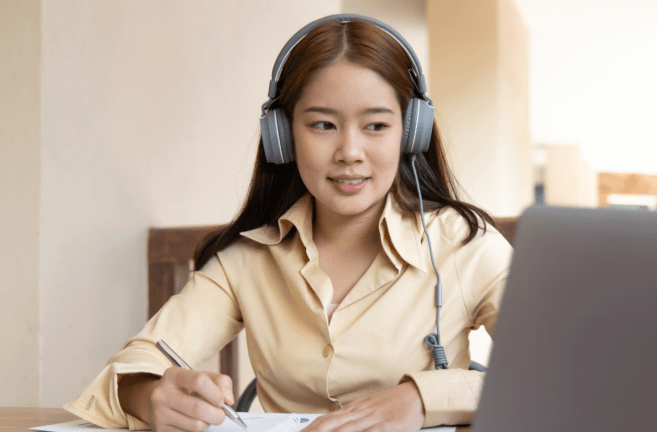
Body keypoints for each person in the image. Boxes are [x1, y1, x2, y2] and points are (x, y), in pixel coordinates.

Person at [64, 14, 512, 432]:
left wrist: (421, 398)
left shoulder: (466, 246)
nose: (350, 152)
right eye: (322, 125)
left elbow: (559, 367)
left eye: (376, 126)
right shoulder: (246, 260)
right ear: (282, 136)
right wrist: (147, 395)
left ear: (410, 133)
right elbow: (134, 365)